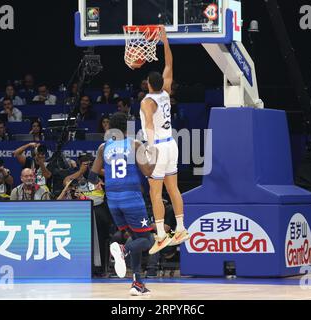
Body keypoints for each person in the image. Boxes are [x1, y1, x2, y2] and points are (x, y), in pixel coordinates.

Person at [89, 112, 158, 295]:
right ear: (127, 128)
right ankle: (122, 249)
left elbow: (92, 176)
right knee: (149, 240)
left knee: (136, 238)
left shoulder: (103, 147)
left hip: (113, 201)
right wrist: (156, 156)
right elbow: (147, 171)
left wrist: (106, 177)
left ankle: (137, 283)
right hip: (132, 199)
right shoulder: (135, 144)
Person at [140, 26, 189, 254]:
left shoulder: (147, 101)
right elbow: (169, 64)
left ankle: (160, 234)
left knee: (155, 193)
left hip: (158, 146)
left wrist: (149, 147)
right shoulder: (167, 90)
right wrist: (165, 42)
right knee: (174, 189)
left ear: (148, 84)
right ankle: (180, 228)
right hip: (172, 144)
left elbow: (148, 124)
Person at [62, 152, 112, 275]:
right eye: (84, 163)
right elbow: (66, 181)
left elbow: (111, 176)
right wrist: (81, 171)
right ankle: (83, 267)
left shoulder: (101, 174)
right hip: (81, 211)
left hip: (99, 208)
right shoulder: (76, 175)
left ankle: (100, 269)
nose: (87, 165)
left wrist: (95, 169)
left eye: (89, 162)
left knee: (101, 239)